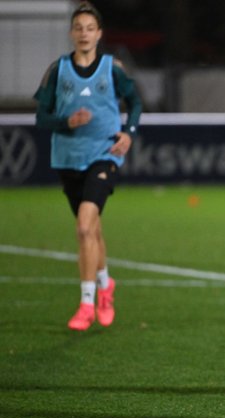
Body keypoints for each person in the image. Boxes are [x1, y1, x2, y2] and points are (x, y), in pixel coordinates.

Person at [33, 1, 142, 331]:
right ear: (71, 33)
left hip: (103, 155)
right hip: (68, 158)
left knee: (83, 227)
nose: (83, 33)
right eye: (78, 28)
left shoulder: (112, 68)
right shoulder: (58, 70)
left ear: (99, 34)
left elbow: (135, 101)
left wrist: (129, 133)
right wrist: (67, 121)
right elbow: (42, 117)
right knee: (92, 230)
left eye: (89, 28)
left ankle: (86, 303)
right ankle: (106, 285)